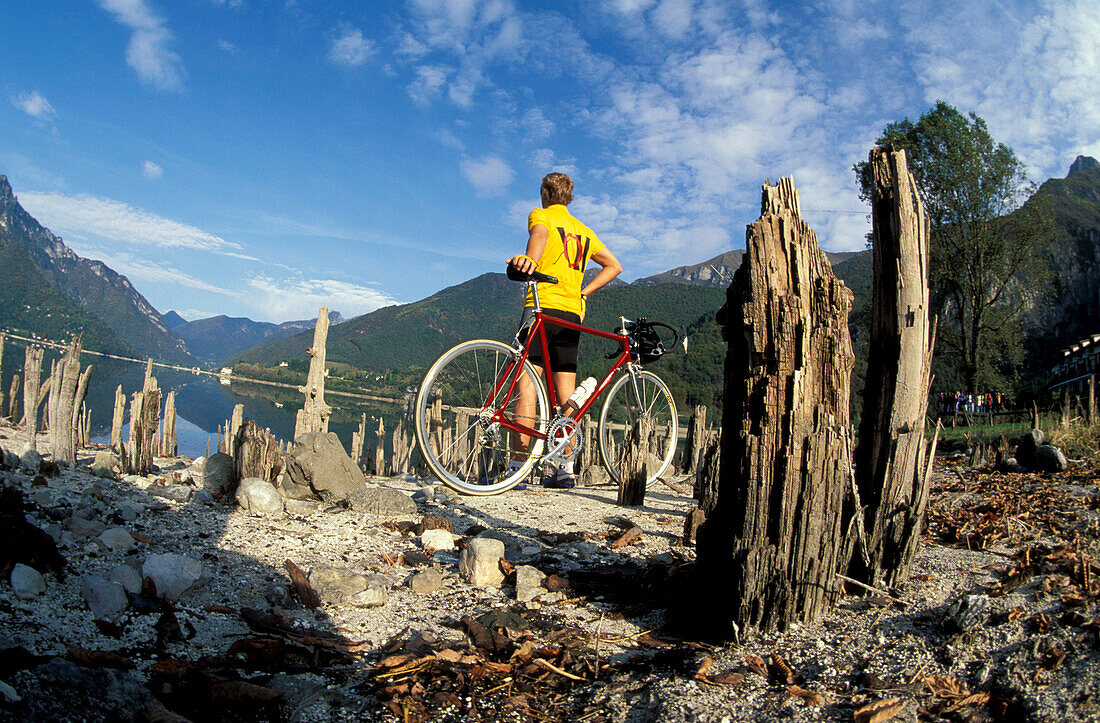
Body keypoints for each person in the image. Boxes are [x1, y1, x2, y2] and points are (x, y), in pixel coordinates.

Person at [507, 172, 622, 488]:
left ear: (545, 193)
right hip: (572, 314)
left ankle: (518, 468)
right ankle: (566, 469)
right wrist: (585, 292)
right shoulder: (584, 231)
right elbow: (614, 265)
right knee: (565, 396)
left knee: (527, 387)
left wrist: (530, 261)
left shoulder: (541, 215)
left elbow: (540, 236)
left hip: (542, 305)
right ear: (568, 198)